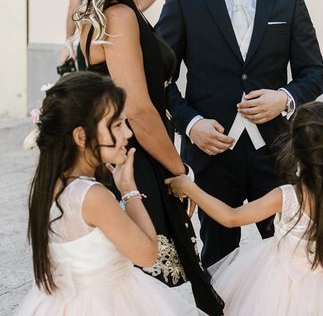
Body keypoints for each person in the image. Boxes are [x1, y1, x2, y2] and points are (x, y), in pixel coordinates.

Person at [156, 0, 323, 267]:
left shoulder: (287, 0)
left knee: (290, 254)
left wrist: (285, 97)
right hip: (212, 155)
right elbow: (157, 80)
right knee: (218, 258)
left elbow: (315, 73)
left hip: (276, 153)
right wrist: (191, 124)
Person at [77, 0, 223, 315]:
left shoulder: (106, 9)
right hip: (137, 158)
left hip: (126, 153)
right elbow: (139, 109)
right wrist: (181, 172)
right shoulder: (119, 15)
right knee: (142, 274)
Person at [16, 72, 197, 315]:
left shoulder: (51, 183)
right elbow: (146, 254)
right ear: (81, 136)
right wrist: (129, 189)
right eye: (117, 125)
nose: (128, 134)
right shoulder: (93, 196)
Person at [165, 101, 323, 315]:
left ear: (294, 148)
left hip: (278, 286)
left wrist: (190, 188)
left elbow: (231, 217)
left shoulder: (288, 196)